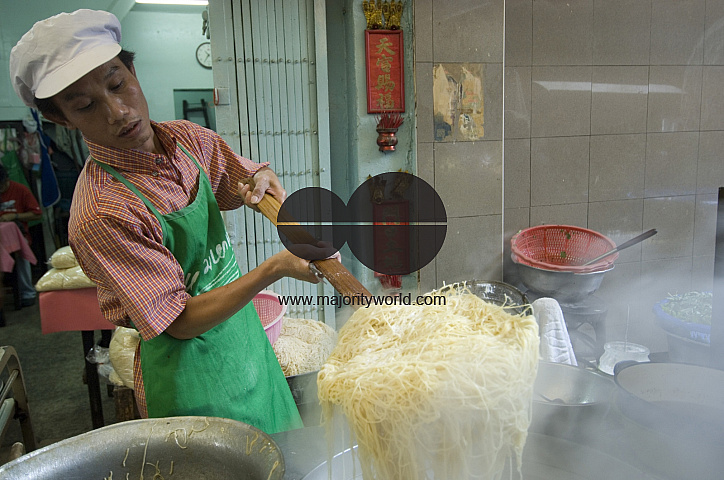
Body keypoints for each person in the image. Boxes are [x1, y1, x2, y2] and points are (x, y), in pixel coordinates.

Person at [10, 9, 328, 433]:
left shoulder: (186, 140)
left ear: (133, 70)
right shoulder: (103, 211)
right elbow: (178, 322)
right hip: (191, 379)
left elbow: (236, 179)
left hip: (246, 348)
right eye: (86, 106)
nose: (119, 112)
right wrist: (275, 267)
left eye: (117, 83)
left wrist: (258, 179)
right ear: (61, 119)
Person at [0, 164, 42, 307]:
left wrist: (15, 215)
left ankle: (27, 292)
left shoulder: (20, 190)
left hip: (18, 235)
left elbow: (37, 214)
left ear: (6, 180)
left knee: (21, 254)